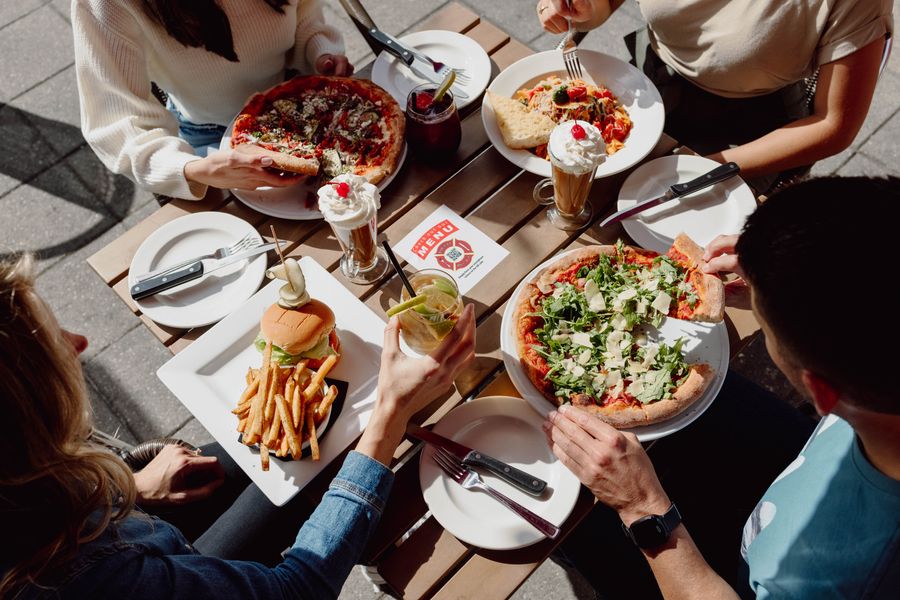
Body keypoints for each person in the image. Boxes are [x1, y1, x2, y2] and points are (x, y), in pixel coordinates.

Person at [0, 251, 477, 598]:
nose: (79, 342)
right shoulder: (79, 582)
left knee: (298, 462)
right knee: (313, 481)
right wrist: (388, 415)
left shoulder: (23, 486)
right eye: (51, 346)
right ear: (27, 413)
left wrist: (130, 491)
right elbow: (297, 589)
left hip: (132, 527)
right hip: (161, 567)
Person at [543, 176, 900, 598]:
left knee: (566, 524)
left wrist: (643, 508)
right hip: (811, 461)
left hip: (732, 582)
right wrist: (779, 287)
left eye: (766, 333)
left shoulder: (827, 577)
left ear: (821, 394)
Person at [537, 0, 893, 192]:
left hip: (748, 132)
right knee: (559, 185)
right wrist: (585, 9)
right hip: (646, 87)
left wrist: (709, 167)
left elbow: (834, 125)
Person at [72, 0, 354, 200]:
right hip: (211, 139)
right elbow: (116, 125)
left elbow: (304, 13)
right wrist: (193, 169)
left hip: (308, 106)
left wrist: (319, 52)